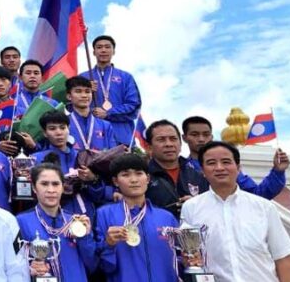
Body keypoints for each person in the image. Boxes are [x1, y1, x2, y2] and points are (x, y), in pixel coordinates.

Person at [182, 141, 290, 282]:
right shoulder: (191, 208)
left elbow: (283, 258)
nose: (219, 168)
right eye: (211, 163)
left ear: (238, 168)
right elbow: (193, 260)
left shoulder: (264, 207)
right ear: (202, 171)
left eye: (226, 162)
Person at [94, 154, 179, 282]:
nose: (133, 180)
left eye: (139, 173)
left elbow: (179, 260)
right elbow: (104, 267)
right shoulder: (104, 214)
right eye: (126, 175)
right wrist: (109, 244)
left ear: (148, 178)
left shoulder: (166, 217)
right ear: (115, 181)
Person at [15, 162, 98, 282]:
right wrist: (29, 268)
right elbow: (12, 263)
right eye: (44, 184)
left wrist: (85, 237)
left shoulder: (75, 222)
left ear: (63, 187)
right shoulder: (21, 222)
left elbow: (92, 265)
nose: (51, 190)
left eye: (55, 184)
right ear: (34, 187)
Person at [182, 115, 289, 199]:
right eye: (195, 135)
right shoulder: (181, 168)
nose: (201, 139)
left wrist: (278, 171)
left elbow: (258, 194)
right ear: (184, 138)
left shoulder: (228, 169)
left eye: (206, 134)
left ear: (211, 137)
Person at [31, 111, 114, 208]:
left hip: (85, 213)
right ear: (45, 133)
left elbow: (98, 195)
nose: (59, 132)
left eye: (62, 127)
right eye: (52, 129)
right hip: (54, 213)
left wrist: (92, 179)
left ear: (68, 129)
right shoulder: (36, 159)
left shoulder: (83, 157)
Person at [80, 35, 141, 147]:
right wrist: (85, 91)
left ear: (113, 51)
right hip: (91, 137)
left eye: (107, 47)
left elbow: (134, 105)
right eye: (99, 47)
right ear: (94, 52)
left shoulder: (125, 77)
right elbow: (71, 106)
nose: (103, 50)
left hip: (122, 138)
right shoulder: (83, 78)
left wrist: (108, 113)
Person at [144, 119, 208, 218]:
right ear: (149, 147)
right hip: (158, 231)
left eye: (173, 139)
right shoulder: (142, 177)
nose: (169, 144)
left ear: (180, 144)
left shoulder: (199, 175)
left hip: (194, 231)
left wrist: (195, 204)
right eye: (161, 140)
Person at [65, 75, 113, 151]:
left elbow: (112, 153)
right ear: (69, 96)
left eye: (88, 91)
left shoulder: (105, 125)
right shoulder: (63, 124)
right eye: (78, 91)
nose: (84, 95)